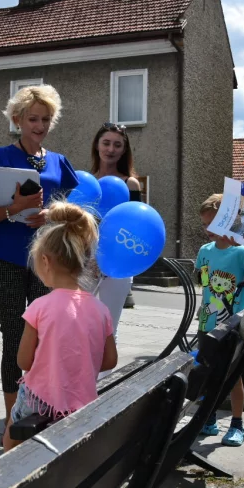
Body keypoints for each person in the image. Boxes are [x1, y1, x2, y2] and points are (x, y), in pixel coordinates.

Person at [0, 85, 79, 422]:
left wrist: (51, 214)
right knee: (14, 336)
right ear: (17, 119)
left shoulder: (59, 162)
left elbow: (70, 211)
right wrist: (15, 208)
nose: (40, 125)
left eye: (46, 119)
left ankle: (40, 408)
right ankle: (13, 420)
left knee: (46, 337)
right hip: (7, 258)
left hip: (48, 261)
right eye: (33, 119)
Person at [1, 202, 118, 451]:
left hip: (39, 400)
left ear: (45, 261)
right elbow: (109, 361)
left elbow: (24, 361)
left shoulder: (39, 307)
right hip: (82, 402)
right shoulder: (100, 310)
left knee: (10, 439)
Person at [196, 194, 244, 447]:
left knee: (233, 377)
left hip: (233, 326)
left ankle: (236, 423)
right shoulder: (204, 251)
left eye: (212, 223)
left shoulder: (241, 252)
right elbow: (204, 282)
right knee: (208, 372)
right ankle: (209, 417)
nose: (207, 230)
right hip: (207, 323)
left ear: (227, 221)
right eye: (204, 224)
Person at [92, 123, 142, 341]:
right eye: (106, 143)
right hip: (86, 259)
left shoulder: (130, 184)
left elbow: (135, 226)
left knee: (108, 326)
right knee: (76, 318)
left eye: (117, 145)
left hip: (118, 262)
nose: (111, 149)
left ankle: (106, 365)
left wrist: (114, 260)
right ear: (97, 145)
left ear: (124, 150)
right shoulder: (87, 181)